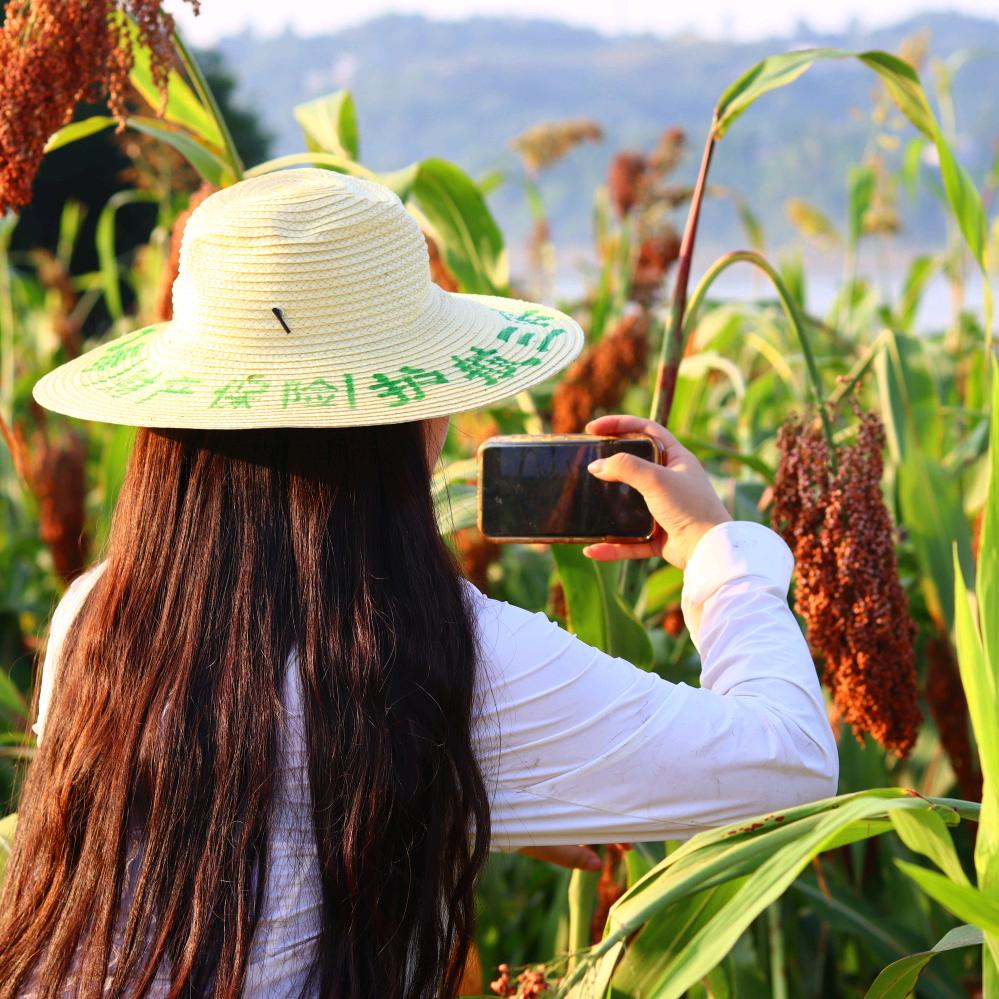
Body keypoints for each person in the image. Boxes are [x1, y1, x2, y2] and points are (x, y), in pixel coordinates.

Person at [0, 169, 838, 999]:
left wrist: (457, 796)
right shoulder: (452, 653)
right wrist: (714, 550)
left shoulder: (93, 617)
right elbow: (790, 759)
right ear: (413, 411)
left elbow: (238, 819)